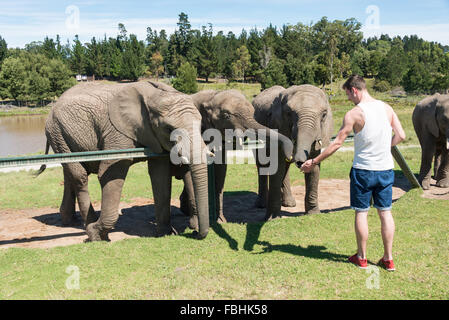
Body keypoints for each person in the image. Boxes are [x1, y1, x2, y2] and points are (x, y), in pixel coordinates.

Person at [300, 75, 405, 271]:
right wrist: (385, 148)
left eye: (348, 94)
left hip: (363, 171)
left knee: (361, 213)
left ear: (354, 90)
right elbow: (401, 135)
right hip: (385, 170)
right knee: (385, 213)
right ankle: (388, 259)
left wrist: (314, 161)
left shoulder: (354, 114)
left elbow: (337, 143)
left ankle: (362, 257)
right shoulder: (387, 108)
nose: (348, 99)